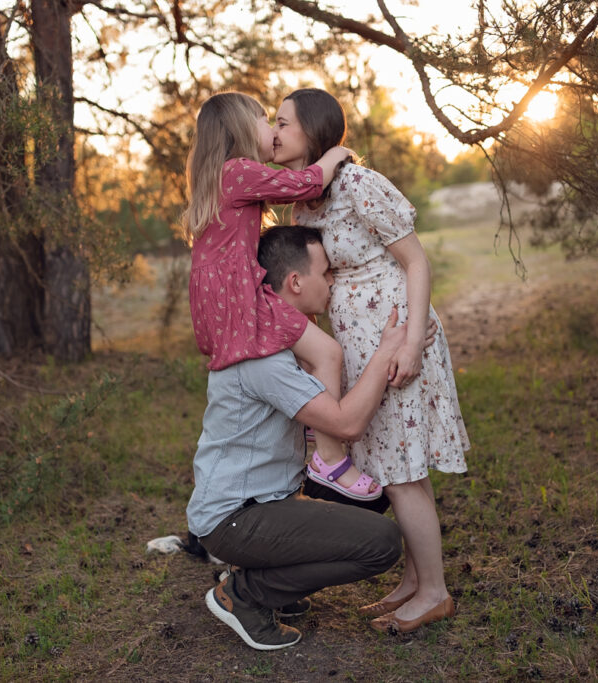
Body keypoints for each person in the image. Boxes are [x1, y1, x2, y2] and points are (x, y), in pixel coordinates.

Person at [272, 88, 471, 634]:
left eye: (283, 122)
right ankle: (412, 581)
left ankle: (434, 592)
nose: (273, 131)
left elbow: (416, 261)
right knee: (395, 467)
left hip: (395, 337)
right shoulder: (304, 203)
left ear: (312, 132)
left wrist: (409, 343)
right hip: (359, 349)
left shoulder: (358, 183)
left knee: (403, 473)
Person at [186, 238, 410, 650]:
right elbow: (346, 424)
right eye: (325, 272)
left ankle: (272, 586)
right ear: (294, 282)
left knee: (347, 524)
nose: (332, 282)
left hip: (259, 505)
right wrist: (386, 353)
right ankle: (246, 595)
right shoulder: (264, 361)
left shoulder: (273, 342)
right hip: (234, 519)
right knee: (381, 543)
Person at [183, 91, 380, 501]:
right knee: (328, 353)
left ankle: (314, 412)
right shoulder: (237, 171)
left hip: (228, 305)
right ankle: (329, 458)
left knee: (312, 348)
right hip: (242, 303)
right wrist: (335, 156)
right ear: (241, 128)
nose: (272, 131)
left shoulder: (222, 177)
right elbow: (304, 184)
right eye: (265, 121)